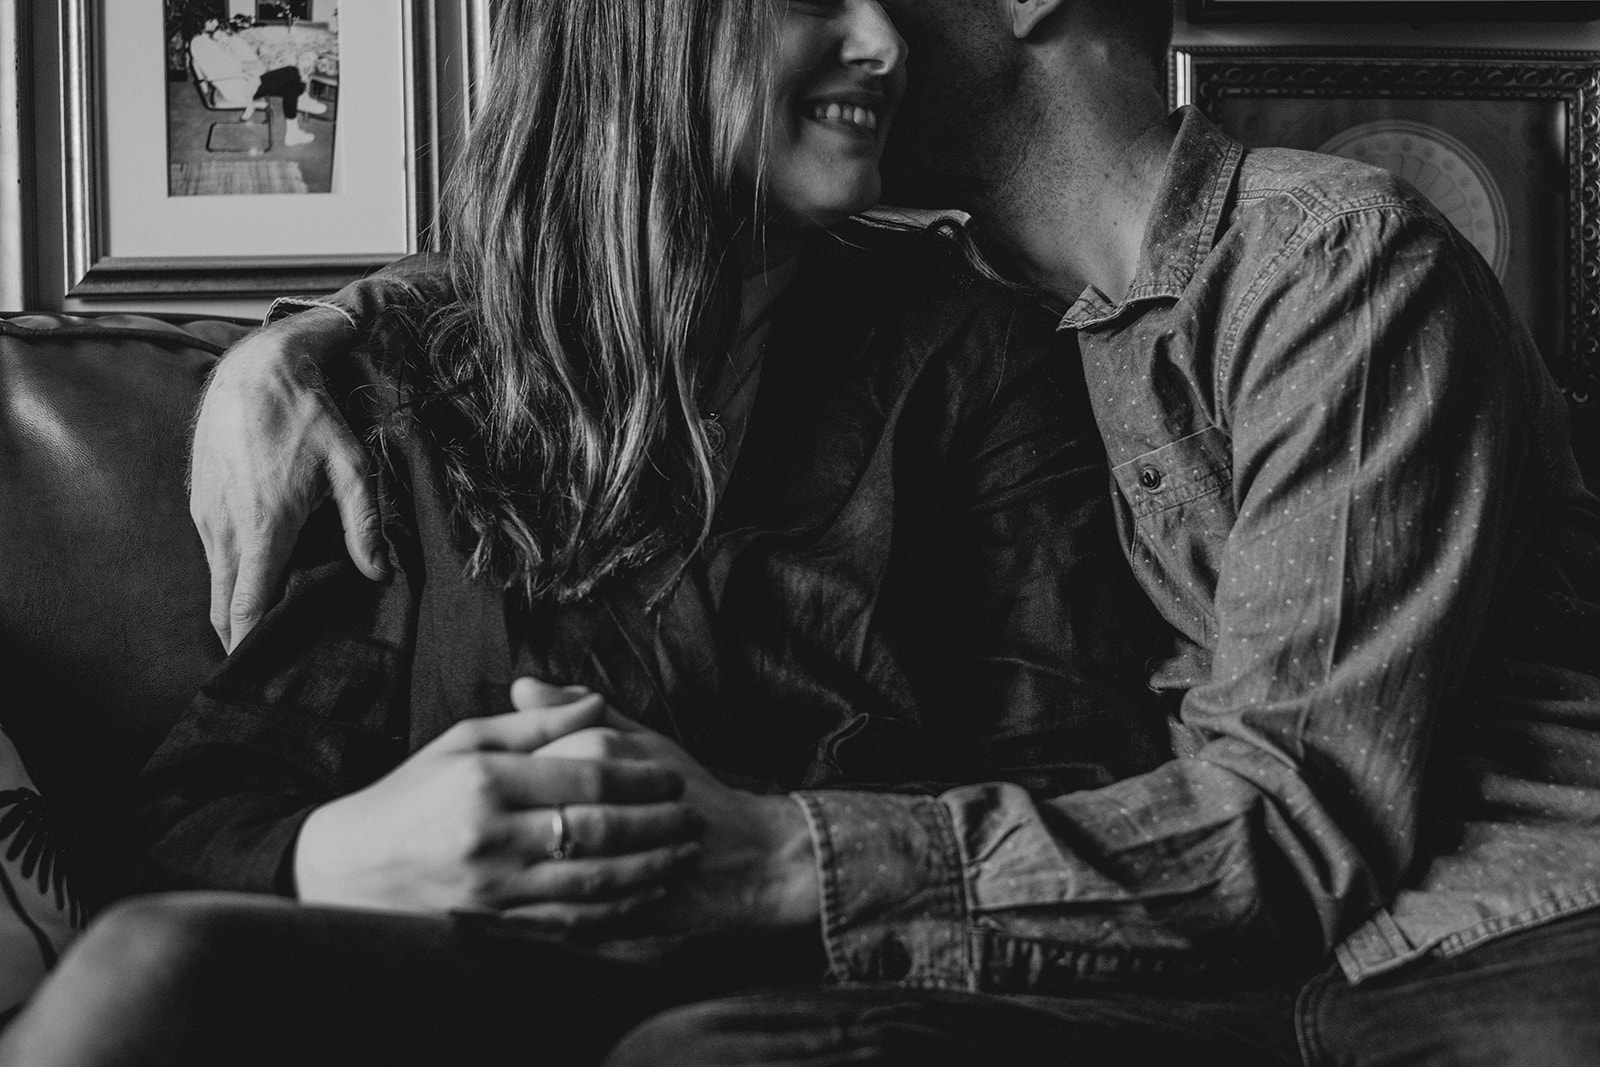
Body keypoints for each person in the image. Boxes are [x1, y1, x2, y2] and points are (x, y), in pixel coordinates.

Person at [171, 0, 1600, 1064]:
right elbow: (615, 233)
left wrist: (771, 854)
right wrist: (304, 341)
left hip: (1495, 936)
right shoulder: (975, 297)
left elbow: (1298, 822)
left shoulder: (1328, 263)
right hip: (1258, 965)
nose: (875, 32)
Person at [0, 1, 1187, 1064]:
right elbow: (186, 821)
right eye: (817, 0)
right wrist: (348, 850)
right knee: (150, 970)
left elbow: (1078, 784)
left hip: (805, 1001)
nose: (883, 43)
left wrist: (754, 846)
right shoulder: (421, 383)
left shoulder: (979, 359)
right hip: (455, 992)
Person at [186, 12, 325, 147]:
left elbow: (230, 62)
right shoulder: (203, 45)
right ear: (199, 23)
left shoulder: (200, 41)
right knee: (291, 73)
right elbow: (233, 67)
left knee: (290, 84)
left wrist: (232, 47)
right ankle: (300, 105)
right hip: (240, 86)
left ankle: (295, 125)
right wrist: (256, 65)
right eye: (210, 20)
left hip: (239, 81)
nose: (215, 22)